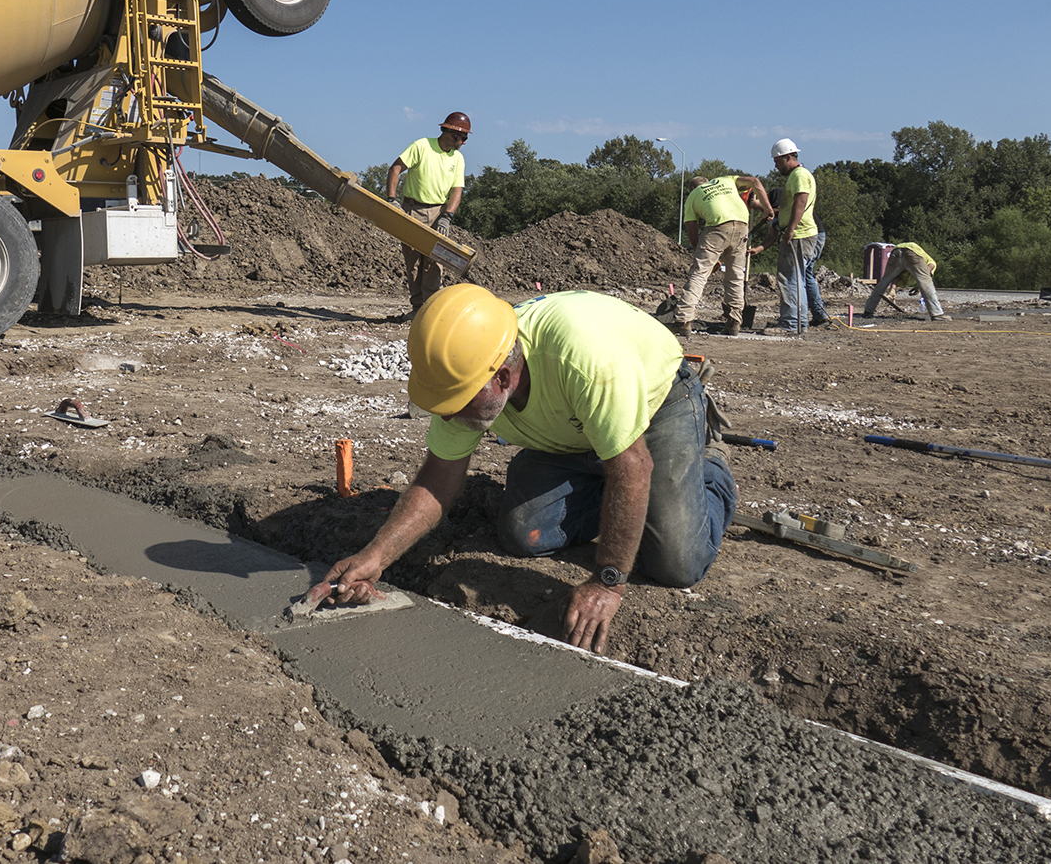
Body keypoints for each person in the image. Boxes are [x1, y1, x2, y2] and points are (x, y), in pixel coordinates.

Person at [317, 285, 738, 654]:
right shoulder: (467, 370)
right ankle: (601, 471)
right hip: (573, 432)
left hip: (655, 406)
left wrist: (608, 582)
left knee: (676, 564)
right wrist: (376, 556)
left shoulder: (586, 359)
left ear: (503, 377)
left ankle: (712, 471)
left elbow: (632, 466)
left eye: (459, 400)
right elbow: (438, 478)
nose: (450, 413)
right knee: (525, 532)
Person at [385, 112, 468, 314]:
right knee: (413, 262)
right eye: (463, 138)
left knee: (434, 262)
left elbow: (457, 190)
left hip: (439, 211)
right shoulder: (421, 146)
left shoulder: (457, 158)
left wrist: (447, 217)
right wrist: (391, 200)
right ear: (451, 133)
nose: (464, 142)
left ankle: (429, 311)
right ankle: (417, 309)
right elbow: (396, 168)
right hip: (413, 210)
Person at [672, 174, 772, 338]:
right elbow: (755, 182)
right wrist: (767, 209)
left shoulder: (693, 196)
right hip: (742, 225)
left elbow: (692, 229)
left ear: (692, 188)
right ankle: (734, 322)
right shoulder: (726, 180)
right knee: (735, 275)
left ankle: (683, 320)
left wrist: (705, 259)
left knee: (699, 274)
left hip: (717, 226)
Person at [766, 138, 819, 335]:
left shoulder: (799, 175)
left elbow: (801, 201)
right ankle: (798, 323)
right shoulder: (800, 175)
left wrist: (790, 229)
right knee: (796, 280)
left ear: (788, 158)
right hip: (800, 234)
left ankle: (790, 323)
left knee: (790, 280)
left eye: (778, 161)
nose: (775, 165)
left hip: (799, 235)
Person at [862, 243, 951, 321]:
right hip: (913, 251)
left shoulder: (906, 270)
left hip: (896, 251)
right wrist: (920, 286)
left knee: (884, 281)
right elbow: (926, 274)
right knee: (927, 282)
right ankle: (937, 313)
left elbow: (896, 277)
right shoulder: (930, 261)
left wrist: (892, 290)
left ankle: (868, 311)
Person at [802, 209, 831, 328]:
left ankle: (796, 316)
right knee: (806, 274)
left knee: (798, 275)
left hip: (810, 235)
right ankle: (819, 314)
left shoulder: (777, 196)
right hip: (816, 234)